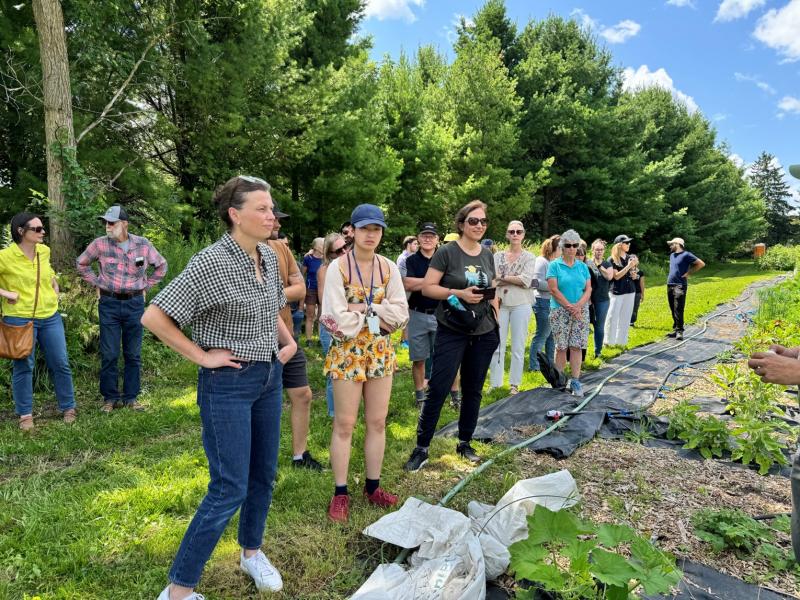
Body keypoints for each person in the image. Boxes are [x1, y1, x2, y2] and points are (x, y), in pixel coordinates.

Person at [143, 175, 296, 599]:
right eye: (262, 209)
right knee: (230, 485)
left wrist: (288, 342)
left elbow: (271, 310)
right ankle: (178, 590)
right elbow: (155, 316)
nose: (271, 215)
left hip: (267, 377)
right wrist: (203, 355)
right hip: (227, 383)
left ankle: (251, 553)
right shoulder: (211, 262)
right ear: (235, 214)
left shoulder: (266, 256)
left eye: (271, 208)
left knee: (263, 475)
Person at [321, 204, 409, 522]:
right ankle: (340, 492)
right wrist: (377, 309)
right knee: (345, 424)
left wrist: (359, 307)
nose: (371, 234)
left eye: (377, 229)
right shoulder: (338, 268)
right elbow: (333, 318)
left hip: (380, 350)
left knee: (377, 422)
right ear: (353, 231)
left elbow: (401, 313)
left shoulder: (388, 268)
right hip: (347, 352)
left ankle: (373, 487)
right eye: (365, 229)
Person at [404, 200, 499, 472]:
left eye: (483, 221)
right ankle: (422, 448)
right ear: (461, 224)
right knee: (439, 388)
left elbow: (491, 287)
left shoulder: (487, 253)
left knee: (473, 390)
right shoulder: (447, 252)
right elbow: (429, 288)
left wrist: (496, 321)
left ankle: (465, 442)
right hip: (452, 329)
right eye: (473, 221)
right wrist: (458, 294)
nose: (479, 225)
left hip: (483, 330)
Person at [76, 205, 167, 412]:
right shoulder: (99, 244)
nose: (107, 226)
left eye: (112, 222)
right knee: (109, 353)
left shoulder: (143, 245)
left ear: (124, 224)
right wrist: (97, 282)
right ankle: (110, 398)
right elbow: (81, 263)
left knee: (133, 353)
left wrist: (147, 286)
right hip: (109, 304)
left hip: (135, 304)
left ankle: (131, 398)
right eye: (106, 222)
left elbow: (162, 266)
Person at [0, 212, 77, 431]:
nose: (43, 232)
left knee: (60, 362)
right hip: (19, 318)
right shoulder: (5, 256)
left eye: (43, 228)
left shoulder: (44, 251)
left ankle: (68, 408)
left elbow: (48, 272)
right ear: (21, 232)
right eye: (37, 229)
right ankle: (25, 415)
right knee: (24, 366)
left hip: (49, 316)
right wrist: (6, 294)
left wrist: (54, 285)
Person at [267, 206, 323, 471]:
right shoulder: (240, 250)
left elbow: (300, 287)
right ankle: (261, 460)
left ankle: (300, 456)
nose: (277, 221)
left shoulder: (282, 248)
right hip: (255, 338)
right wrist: (282, 292)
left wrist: (267, 294)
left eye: (278, 216)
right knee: (263, 402)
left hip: (287, 334)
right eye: (272, 215)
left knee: (302, 394)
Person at [489, 220, 536, 394]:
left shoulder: (529, 257)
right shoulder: (497, 256)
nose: (515, 234)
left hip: (521, 304)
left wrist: (502, 276)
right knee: (496, 344)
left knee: (518, 344)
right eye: (512, 231)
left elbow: (526, 280)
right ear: (507, 234)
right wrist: (511, 277)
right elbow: (492, 279)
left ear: (523, 235)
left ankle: (514, 384)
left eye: (518, 231)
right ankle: (495, 383)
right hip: (500, 303)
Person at [546, 230, 592, 397]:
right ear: (562, 247)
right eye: (568, 245)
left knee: (576, 346)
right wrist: (569, 307)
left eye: (575, 245)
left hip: (581, 311)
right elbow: (553, 289)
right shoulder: (554, 265)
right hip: (560, 311)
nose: (572, 249)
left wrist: (578, 306)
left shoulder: (583, 267)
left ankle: (576, 380)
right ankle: (558, 382)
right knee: (561, 347)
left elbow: (588, 289)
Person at [402, 223, 440, 406]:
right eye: (424, 235)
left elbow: (450, 283)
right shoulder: (411, 261)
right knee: (418, 359)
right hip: (417, 313)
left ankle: (445, 394)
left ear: (437, 240)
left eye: (431, 236)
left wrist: (422, 283)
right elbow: (408, 284)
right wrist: (434, 282)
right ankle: (420, 396)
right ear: (418, 238)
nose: (427, 238)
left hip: (441, 314)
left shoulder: (443, 259)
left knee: (444, 357)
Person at [317, 232, 348, 417]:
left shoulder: (354, 267)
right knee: (335, 370)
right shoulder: (325, 270)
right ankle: (333, 412)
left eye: (346, 246)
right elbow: (325, 302)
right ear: (329, 253)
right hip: (332, 326)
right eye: (338, 250)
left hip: (352, 324)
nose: (344, 251)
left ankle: (348, 409)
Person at [528, 235, 561, 371]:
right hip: (542, 302)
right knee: (542, 335)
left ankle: (549, 365)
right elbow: (535, 282)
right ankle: (534, 367)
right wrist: (555, 286)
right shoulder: (541, 261)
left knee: (552, 337)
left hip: (552, 302)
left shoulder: (555, 263)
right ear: (554, 248)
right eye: (561, 247)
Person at [666, 237, 705, 340]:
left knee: (679, 308)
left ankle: (680, 331)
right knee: (673, 308)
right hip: (670, 284)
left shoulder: (686, 255)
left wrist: (689, 273)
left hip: (680, 285)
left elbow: (701, 264)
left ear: (678, 244)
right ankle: (675, 329)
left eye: (672, 244)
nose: (670, 246)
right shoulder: (672, 255)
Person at [604, 235, 639, 347]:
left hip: (630, 290)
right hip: (616, 291)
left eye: (629, 243)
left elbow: (633, 275)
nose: (629, 245)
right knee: (612, 317)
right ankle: (609, 342)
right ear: (619, 245)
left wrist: (634, 275)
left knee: (626, 317)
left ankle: (621, 342)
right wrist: (629, 266)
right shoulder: (612, 259)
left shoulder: (630, 257)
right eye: (626, 243)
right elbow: (617, 276)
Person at [587, 239, 613, 358]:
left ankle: (598, 351)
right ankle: (581, 353)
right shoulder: (587, 263)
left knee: (599, 326)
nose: (599, 252)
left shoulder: (607, 264)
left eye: (601, 250)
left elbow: (609, 276)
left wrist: (599, 266)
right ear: (592, 250)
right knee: (585, 326)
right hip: (587, 300)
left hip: (602, 299)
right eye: (597, 249)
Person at [302, 238, 324, 344]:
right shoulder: (308, 258)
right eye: (322, 244)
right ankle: (309, 339)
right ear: (316, 247)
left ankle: (321, 338)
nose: (324, 245)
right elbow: (302, 274)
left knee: (321, 316)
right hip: (311, 289)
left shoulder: (326, 259)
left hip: (323, 289)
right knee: (310, 315)